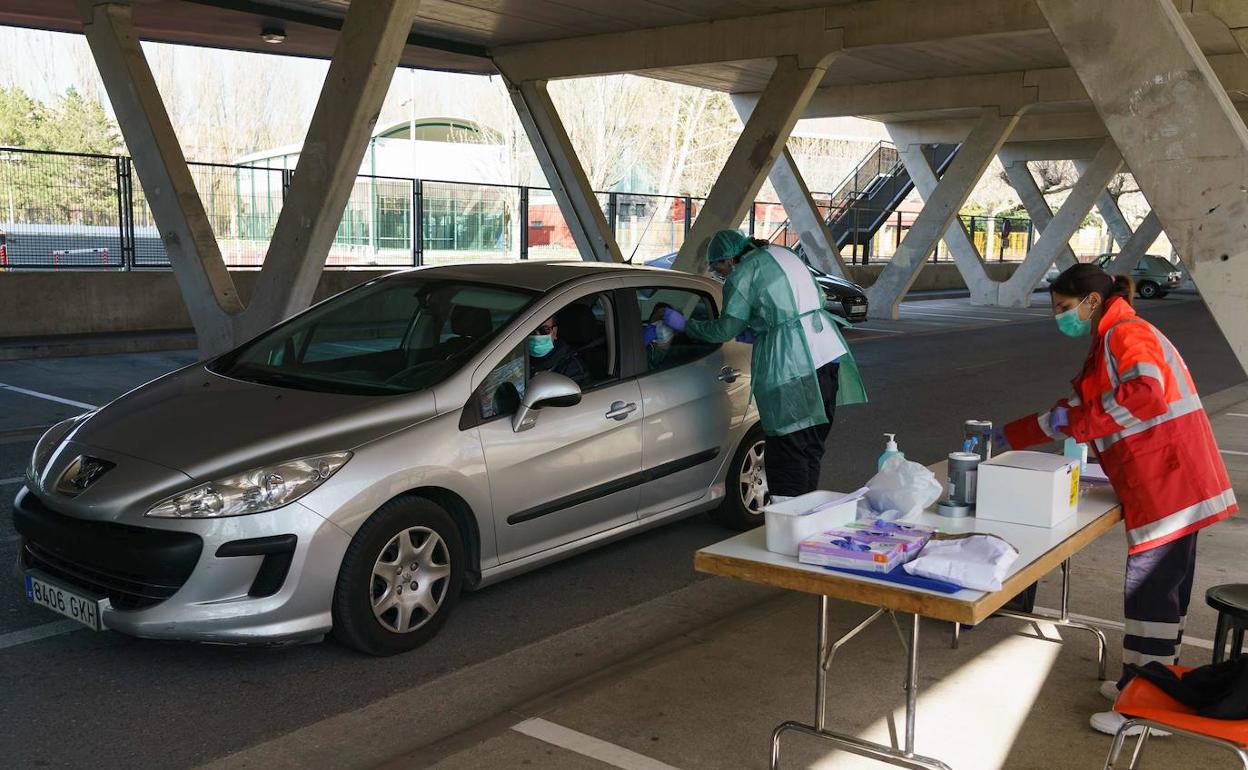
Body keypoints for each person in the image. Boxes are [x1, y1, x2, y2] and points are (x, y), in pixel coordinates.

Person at [994, 263, 1237, 738]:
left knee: (1151, 592)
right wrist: (1016, 433)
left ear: (1090, 302)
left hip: (1168, 482)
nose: (1060, 318)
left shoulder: (1124, 334)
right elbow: (1076, 413)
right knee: (1164, 589)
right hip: (1169, 478)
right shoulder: (1115, 332)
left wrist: (1079, 425)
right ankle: (1143, 680)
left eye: (1064, 309)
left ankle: (1147, 709)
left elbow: (1144, 396)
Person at [663, 230, 866, 501]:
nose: (718, 272)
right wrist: (762, 326)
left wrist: (685, 325)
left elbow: (724, 330)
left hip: (792, 362)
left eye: (717, 266)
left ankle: (788, 517)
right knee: (811, 445)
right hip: (828, 353)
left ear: (730, 259)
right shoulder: (783, 253)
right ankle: (807, 511)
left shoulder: (743, 273)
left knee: (786, 446)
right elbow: (801, 300)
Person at [528, 316, 590, 388]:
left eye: (544, 330)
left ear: (554, 332)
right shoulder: (519, 356)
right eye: (531, 331)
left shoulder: (573, 368)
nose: (537, 336)